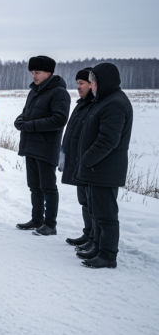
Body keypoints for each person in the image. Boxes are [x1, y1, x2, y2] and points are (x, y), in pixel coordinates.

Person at [74, 63, 132, 269]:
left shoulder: (115, 103)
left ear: (103, 82)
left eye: (93, 82)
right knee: (97, 212)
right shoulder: (105, 100)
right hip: (97, 169)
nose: (92, 86)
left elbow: (108, 140)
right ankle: (98, 248)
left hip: (104, 169)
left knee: (106, 215)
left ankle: (108, 256)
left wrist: (87, 159)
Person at [14, 56, 71, 236]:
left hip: (46, 147)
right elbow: (26, 113)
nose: (34, 76)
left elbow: (59, 119)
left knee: (48, 187)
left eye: (37, 72)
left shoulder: (59, 93)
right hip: (31, 145)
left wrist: (29, 126)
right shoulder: (35, 91)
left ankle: (50, 224)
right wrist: (20, 121)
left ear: (48, 73)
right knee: (34, 186)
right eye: (32, 72)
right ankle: (37, 219)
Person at [60, 67, 95, 247]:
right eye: (77, 83)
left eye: (81, 83)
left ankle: (94, 238)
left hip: (90, 162)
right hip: (79, 161)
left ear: (92, 84)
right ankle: (88, 234)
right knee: (84, 201)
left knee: (92, 203)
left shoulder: (95, 104)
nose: (78, 87)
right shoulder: (82, 103)